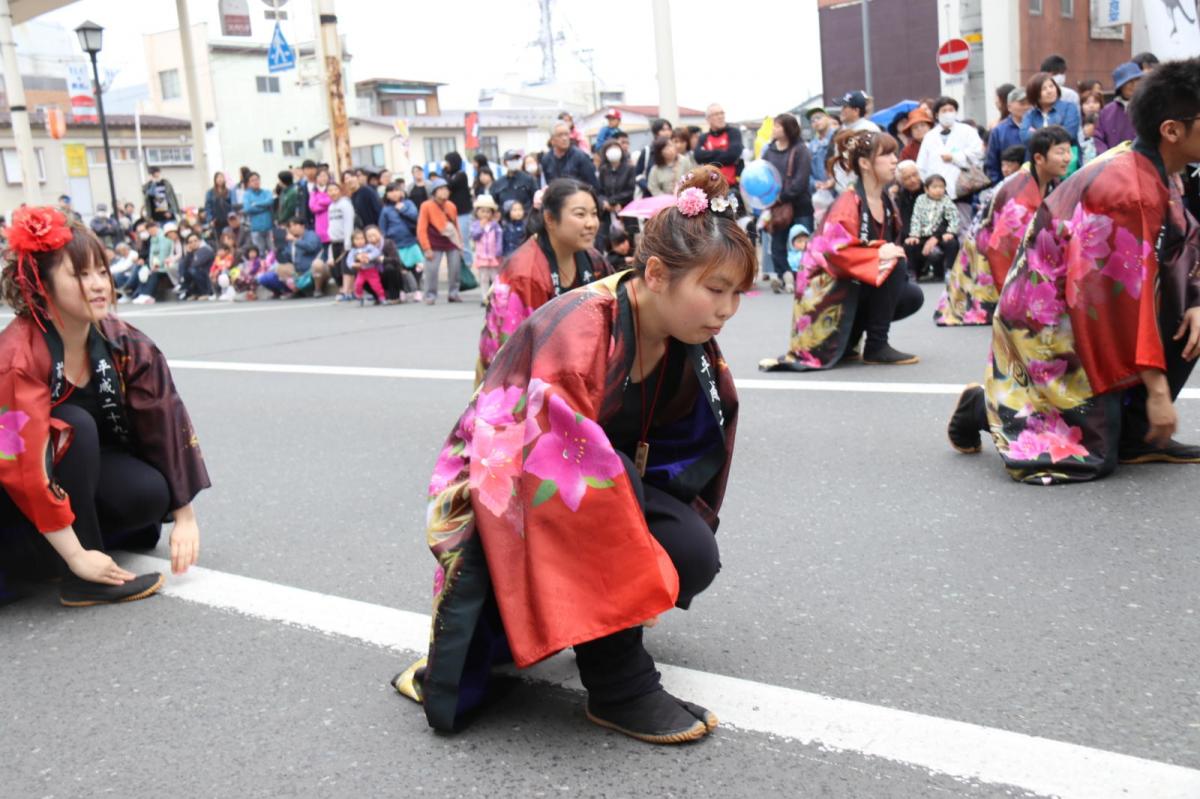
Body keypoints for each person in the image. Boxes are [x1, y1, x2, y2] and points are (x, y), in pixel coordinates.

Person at [394, 164, 752, 745]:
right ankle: (619, 685)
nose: (728, 308)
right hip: (507, 482)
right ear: (655, 274)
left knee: (691, 552)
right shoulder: (580, 322)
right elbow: (546, 456)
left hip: (601, 474)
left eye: (737, 293)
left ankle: (597, 616)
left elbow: (685, 441)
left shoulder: (683, 334)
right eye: (715, 290)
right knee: (597, 484)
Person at [947, 58, 1200, 482]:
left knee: (1191, 316)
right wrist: (1157, 391)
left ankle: (1137, 434)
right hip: (1052, 319)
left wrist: (1195, 300)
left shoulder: (1156, 168)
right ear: (1172, 130)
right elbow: (1115, 305)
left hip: (1090, 306)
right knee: (1084, 455)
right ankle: (986, 405)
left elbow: (1185, 241)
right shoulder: (1126, 189)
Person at [0, 207, 208, 605]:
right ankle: (80, 573)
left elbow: (163, 417)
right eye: (80, 274)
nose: (98, 285)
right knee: (74, 424)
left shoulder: (124, 342)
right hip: (11, 494)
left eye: (101, 271)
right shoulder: (17, 356)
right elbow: (21, 466)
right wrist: (78, 556)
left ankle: (59, 549)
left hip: (69, 477)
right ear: (42, 285)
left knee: (149, 493)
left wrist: (185, 516)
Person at [759, 130, 923, 372]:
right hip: (826, 290)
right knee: (892, 261)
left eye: (894, 154)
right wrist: (878, 252)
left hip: (851, 283)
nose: (894, 160)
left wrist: (881, 253)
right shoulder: (848, 202)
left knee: (911, 294)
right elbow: (835, 252)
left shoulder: (886, 200)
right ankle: (876, 346)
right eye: (886, 155)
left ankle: (849, 339)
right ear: (865, 163)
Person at [475, 178, 611, 381]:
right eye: (580, 214)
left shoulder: (594, 260)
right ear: (549, 219)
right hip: (525, 379)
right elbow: (515, 356)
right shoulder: (524, 274)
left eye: (594, 214)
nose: (591, 223)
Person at [935, 127, 1072, 326]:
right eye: (1060, 152)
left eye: (1068, 151)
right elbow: (1002, 249)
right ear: (1039, 158)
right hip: (988, 253)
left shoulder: (1045, 179)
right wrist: (1012, 298)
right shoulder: (1020, 195)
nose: (1067, 158)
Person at [762, 113, 814, 293]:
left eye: (778, 126)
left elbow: (801, 181)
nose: (774, 129)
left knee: (803, 242)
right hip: (777, 207)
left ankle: (803, 276)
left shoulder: (801, 150)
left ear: (788, 129)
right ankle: (784, 276)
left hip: (800, 205)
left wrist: (782, 197)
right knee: (777, 242)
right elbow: (763, 175)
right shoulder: (769, 151)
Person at [916, 96, 985, 203]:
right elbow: (921, 166)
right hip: (937, 192)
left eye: (951, 110)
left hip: (965, 189)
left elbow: (978, 154)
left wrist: (955, 157)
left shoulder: (967, 131)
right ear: (937, 114)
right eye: (944, 111)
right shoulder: (929, 136)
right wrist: (930, 186)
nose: (948, 113)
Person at [904, 174, 959, 282]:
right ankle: (911, 271)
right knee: (909, 244)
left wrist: (950, 232)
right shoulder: (920, 200)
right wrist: (914, 235)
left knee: (952, 243)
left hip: (941, 235)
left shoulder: (947, 200)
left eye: (941, 187)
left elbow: (953, 218)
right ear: (926, 189)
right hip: (923, 235)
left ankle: (949, 270)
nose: (938, 190)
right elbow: (916, 218)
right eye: (935, 187)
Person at [416, 178, 463, 304]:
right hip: (433, 241)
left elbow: (455, 225)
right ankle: (430, 295)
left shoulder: (451, 206)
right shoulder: (426, 206)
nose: (445, 191)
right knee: (431, 270)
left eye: (446, 189)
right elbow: (421, 228)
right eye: (441, 189)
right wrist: (426, 247)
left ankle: (453, 293)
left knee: (455, 268)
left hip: (451, 241)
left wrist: (460, 242)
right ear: (434, 192)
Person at [1095, 61, 1143, 155]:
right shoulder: (1107, 112)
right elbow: (1098, 138)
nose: (1134, 85)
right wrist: (1108, 157)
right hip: (1112, 160)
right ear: (1120, 86)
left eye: (1137, 80)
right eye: (1129, 81)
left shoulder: (1149, 107)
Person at [1021, 71, 1082, 144]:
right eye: (1044, 89)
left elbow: (1069, 134)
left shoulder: (1069, 108)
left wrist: (1037, 132)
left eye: (1051, 86)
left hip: (1067, 150)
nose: (1049, 91)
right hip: (1039, 151)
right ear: (1034, 93)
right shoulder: (1030, 114)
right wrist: (1056, 131)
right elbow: (1025, 137)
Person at [985, 87, 1030, 183]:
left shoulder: (1040, 126)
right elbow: (991, 164)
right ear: (1009, 107)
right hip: (1009, 184)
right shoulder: (999, 131)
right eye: (1022, 103)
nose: (1027, 107)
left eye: (1030, 103)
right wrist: (999, 185)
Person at [597, 139, 636, 250]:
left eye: (616, 147)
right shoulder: (603, 170)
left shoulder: (629, 168)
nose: (613, 151)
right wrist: (605, 203)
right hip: (607, 213)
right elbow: (599, 191)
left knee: (627, 242)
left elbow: (630, 190)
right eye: (610, 148)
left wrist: (614, 201)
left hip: (626, 210)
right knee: (608, 243)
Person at [694, 104, 744, 187]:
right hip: (710, 187)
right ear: (708, 119)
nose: (720, 117)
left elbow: (732, 155)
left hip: (731, 186)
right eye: (716, 114)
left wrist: (708, 161)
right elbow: (698, 157)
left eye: (722, 113)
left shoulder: (734, 133)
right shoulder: (703, 137)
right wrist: (721, 152)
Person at [541, 123, 599, 187]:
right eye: (560, 135)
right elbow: (549, 185)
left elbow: (593, 185)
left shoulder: (581, 157)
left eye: (566, 134)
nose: (564, 138)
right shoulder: (546, 160)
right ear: (552, 140)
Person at [470, 194, 503, 303]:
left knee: (494, 277)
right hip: (482, 256)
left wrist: (498, 251)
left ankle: (496, 297)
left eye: (488, 212)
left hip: (493, 255)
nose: (485, 214)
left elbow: (499, 238)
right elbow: (474, 236)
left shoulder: (495, 225)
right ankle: (484, 297)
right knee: (483, 277)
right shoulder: (475, 225)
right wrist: (481, 227)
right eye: (482, 211)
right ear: (477, 212)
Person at [346, 228, 387, 307]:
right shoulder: (353, 251)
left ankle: (382, 297)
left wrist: (368, 256)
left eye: (362, 238)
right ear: (353, 241)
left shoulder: (369, 247)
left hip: (372, 271)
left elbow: (377, 252)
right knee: (358, 284)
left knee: (376, 285)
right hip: (361, 272)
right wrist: (354, 264)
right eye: (357, 239)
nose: (360, 241)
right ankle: (359, 297)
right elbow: (349, 261)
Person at [634, 118, 674, 197]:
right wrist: (649, 187)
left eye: (669, 129)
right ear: (655, 133)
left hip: (672, 195)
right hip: (650, 195)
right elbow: (638, 175)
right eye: (663, 130)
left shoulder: (675, 151)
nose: (667, 132)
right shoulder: (647, 151)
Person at [492, 149, 538, 215]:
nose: (514, 162)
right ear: (505, 162)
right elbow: (495, 202)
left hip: (525, 217)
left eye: (516, 159)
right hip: (505, 218)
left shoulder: (528, 179)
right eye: (511, 160)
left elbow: (535, 199)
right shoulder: (498, 183)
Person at [241, 172, 276, 256]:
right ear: (248, 183)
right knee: (260, 254)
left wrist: (256, 204)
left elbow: (270, 202)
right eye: (252, 180)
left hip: (269, 227)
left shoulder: (267, 192)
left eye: (257, 179)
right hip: (256, 229)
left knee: (273, 253)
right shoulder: (247, 195)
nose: (255, 182)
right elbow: (247, 208)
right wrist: (265, 208)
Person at [806, 107, 838, 196]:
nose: (816, 121)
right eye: (812, 120)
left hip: (840, 190)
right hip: (821, 192)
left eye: (819, 117)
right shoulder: (812, 145)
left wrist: (834, 180)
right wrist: (814, 183)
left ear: (828, 118)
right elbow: (808, 171)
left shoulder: (839, 137)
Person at [178, 233, 215, 301]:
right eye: (191, 242)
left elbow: (196, 264)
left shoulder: (205, 250)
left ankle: (206, 293)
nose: (193, 243)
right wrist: (189, 254)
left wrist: (190, 256)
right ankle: (194, 293)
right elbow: (185, 265)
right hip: (197, 274)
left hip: (207, 275)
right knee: (185, 269)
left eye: (195, 241)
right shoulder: (191, 252)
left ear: (200, 241)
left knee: (193, 270)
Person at [894, 160, 925, 233]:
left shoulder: (932, 190)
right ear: (901, 182)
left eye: (915, 175)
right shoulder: (900, 197)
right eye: (907, 178)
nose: (913, 180)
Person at [307, 169, 332, 252]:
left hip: (332, 222)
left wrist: (320, 201)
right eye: (320, 176)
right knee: (325, 251)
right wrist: (326, 205)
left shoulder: (332, 189)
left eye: (324, 176)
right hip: (320, 226)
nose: (322, 178)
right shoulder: (313, 192)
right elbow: (313, 207)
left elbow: (331, 200)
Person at [205, 172, 232, 240]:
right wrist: (210, 219)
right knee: (218, 239)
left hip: (228, 219)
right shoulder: (210, 192)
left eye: (221, 177)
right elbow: (208, 207)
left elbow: (232, 205)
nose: (220, 179)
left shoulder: (229, 191)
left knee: (228, 238)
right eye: (218, 177)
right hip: (216, 220)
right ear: (215, 180)